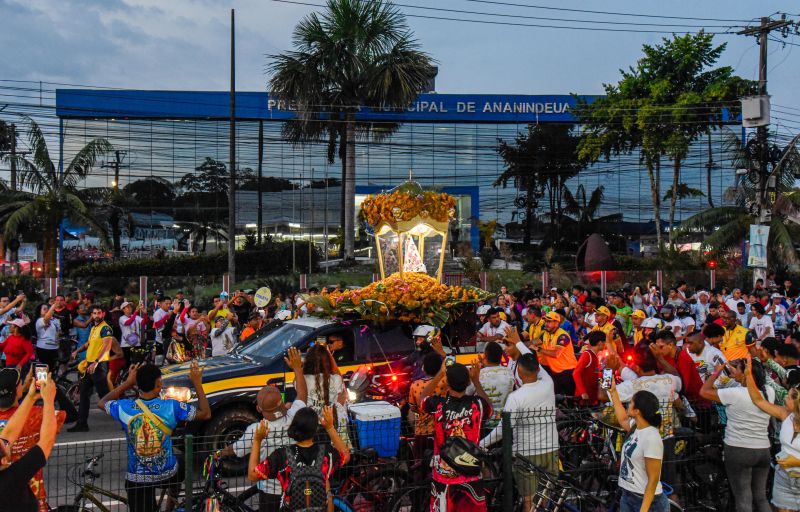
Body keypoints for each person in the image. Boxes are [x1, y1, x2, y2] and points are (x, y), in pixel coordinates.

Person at [99, 361, 211, 512]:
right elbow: (206, 413)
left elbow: (102, 402)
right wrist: (197, 382)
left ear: (137, 385)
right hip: (167, 473)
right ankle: (171, 501)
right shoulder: (172, 406)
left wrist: (127, 383)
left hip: (137, 479)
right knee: (181, 461)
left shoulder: (124, 407)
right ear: (158, 385)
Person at [220, 347, 308, 511]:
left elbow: (236, 449)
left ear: (259, 409)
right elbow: (302, 394)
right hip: (296, 485)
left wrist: (220, 453)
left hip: (270, 491)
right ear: (281, 402)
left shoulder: (257, 429)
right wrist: (297, 368)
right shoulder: (295, 416)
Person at [480, 353, 557, 511]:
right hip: (551, 450)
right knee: (545, 498)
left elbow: (503, 429)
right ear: (537, 369)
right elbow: (540, 369)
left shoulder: (516, 397)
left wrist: (482, 443)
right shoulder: (548, 383)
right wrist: (519, 344)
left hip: (526, 455)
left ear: (519, 372)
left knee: (528, 501)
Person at [699, 359, 773, 512]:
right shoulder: (768, 392)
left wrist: (718, 371)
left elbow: (704, 391)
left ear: (746, 374)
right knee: (760, 497)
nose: (734, 371)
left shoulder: (735, 393)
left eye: (737, 369)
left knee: (743, 499)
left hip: (738, 449)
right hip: (763, 450)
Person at [420, 360, 492, 511]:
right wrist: (476, 381)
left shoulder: (438, 405)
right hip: (470, 474)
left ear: (447, 383)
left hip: (443, 477)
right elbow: (489, 406)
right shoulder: (477, 405)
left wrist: (439, 374)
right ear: (467, 383)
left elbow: (422, 399)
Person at [248, 405, 350, 511]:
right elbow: (345, 456)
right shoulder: (326, 453)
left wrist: (257, 440)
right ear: (316, 430)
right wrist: (330, 427)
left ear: (294, 427)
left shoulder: (282, 455)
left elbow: (252, 475)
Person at [743, 360, 800, 512]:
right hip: (783, 479)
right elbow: (758, 400)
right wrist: (748, 375)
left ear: (796, 402)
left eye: (788, 397)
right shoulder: (785, 414)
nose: (785, 398)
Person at [0, 370, 59, 512]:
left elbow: (8, 435)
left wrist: (31, 397)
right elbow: (46, 441)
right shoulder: (11, 479)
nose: (6, 444)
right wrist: (49, 400)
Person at [608, 384, 669, 512]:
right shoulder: (636, 427)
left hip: (647, 503)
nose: (628, 405)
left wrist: (644, 509)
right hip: (628, 496)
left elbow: (653, 480)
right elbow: (623, 418)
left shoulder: (651, 437)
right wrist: (613, 391)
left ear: (637, 411)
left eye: (630, 403)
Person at [68, 305, 114, 433]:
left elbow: (106, 347)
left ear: (103, 314)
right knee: (84, 394)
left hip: (98, 366)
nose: (97, 315)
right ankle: (82, 424)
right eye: (94, 313)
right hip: (89, 365)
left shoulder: (105, 328)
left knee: (104, 396)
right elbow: (88, 344)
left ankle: (126, 418)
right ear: (92, 315)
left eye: (99, 313)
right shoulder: (94, 328)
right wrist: (77, 350)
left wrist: (96, 362)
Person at [407, 352, 447, 479]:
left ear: (423, 368)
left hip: (421, 433)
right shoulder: (445, 382)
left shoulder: (415, 385)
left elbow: (413, 408)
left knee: (420, 465)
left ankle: (419, 491)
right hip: (440, 432)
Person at [303, 344, 348, 443]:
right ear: (328, 362)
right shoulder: (336, 379)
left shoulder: (303, 380)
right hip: (334, 428)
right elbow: (339, 377)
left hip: (312, 430)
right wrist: (329, 355)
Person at [532, 311, 577, 395]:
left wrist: (539, 349)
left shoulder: (563, 336)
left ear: (556, 323)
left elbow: (556, 354)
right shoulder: (545, 333)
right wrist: (518, 343)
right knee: (556, 397)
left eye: (549, 321)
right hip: (555, 372)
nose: (546, 324)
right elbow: (533, 342)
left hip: (568, 372)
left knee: (570, 399)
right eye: (545, 321)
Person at [474, 341, 514, 427]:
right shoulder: (510, 373)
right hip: (505, 421)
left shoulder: (478, 375)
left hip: (483, 421)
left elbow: (467, 392)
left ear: (485, 356)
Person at [573, 331, 605, 406]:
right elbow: (576, 373)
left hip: (592, 398)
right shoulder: (587, 355)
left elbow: (597, 374)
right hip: (584, 400)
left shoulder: (596, 356)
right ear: (600, 343)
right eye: (605, 342)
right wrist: (583, 392)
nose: (605, 344)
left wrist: (606, 372)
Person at [119, 301, 148, 365]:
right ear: (123, 309)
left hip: (136, 343)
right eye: (127, 307)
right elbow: (128, 322)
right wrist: (136, 312)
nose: (130, 308)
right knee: (128, 364)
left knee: (137, 363)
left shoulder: (135, 316)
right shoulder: (121, 318)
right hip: (126, 345)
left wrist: (145, 313)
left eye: (130, 307)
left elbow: (144, 322)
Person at [33, 303, 60, 373]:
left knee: (51, 372)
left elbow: (57, 333)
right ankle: (40, 384)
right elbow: (46, 319)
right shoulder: (39, 321)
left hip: (54, 349)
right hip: (43, 349)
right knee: (42, 373)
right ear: (39, 311)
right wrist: (53, 306)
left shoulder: (54, 321)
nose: (47, 310)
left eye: (48, 308)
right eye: (44, 309)